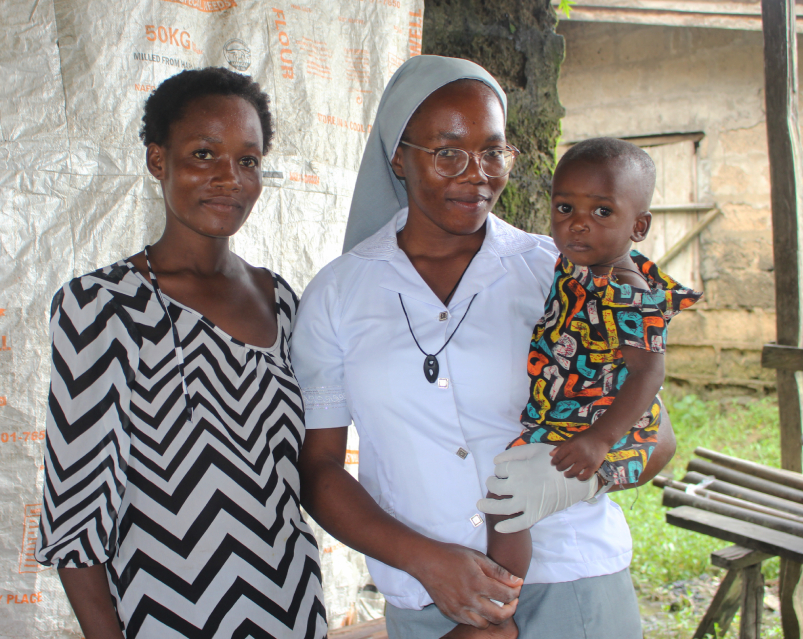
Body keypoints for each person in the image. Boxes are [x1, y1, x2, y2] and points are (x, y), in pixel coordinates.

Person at [291, 55, 675, 639]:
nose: (476, 173)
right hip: (429, 605)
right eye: (447, 152)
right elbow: (319, 470)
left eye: (493, 151)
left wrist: (573, 480)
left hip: (572, 580)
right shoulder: (339, 295)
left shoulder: (560, 272)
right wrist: (429, 561)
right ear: (399, 156)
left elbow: (658, 439)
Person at [35, 67, 326, 639]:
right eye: (203, 154)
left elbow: (304, 471)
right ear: (157, 161)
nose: (230, 178)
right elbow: (76, 517)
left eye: (248, 160)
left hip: (293, 606)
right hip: (172, 617)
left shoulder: (282, 300)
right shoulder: (103, 306)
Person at [477, 138, 702, 636]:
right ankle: (503, 594)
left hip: (599, 422)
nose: (578, 222)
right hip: (570, 411)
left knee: (505, 503)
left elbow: (649, 373)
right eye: (565, 207)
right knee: (506, 498)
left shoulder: (625, 289)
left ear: (638, 226)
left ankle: (500, 602)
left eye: (602, 210)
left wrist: (600, 440)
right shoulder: (578, 264)